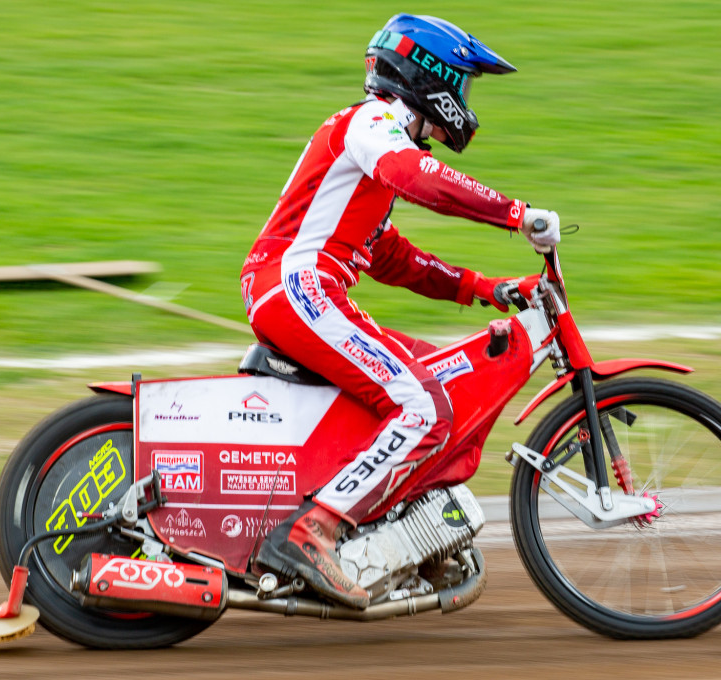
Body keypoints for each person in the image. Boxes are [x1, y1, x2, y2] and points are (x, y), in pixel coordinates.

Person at [240, 14, 561, 609]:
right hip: (300, 287)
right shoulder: (376, 124)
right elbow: (417, 179)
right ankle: (312, 532)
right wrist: (516, 214)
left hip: (304, 288)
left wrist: (482, 287)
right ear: (430, 77)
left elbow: (387, 254)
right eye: (462, 85)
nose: (464, 102)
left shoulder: (378, 139)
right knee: (424, 408)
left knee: (436, 376)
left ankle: (397, 532)